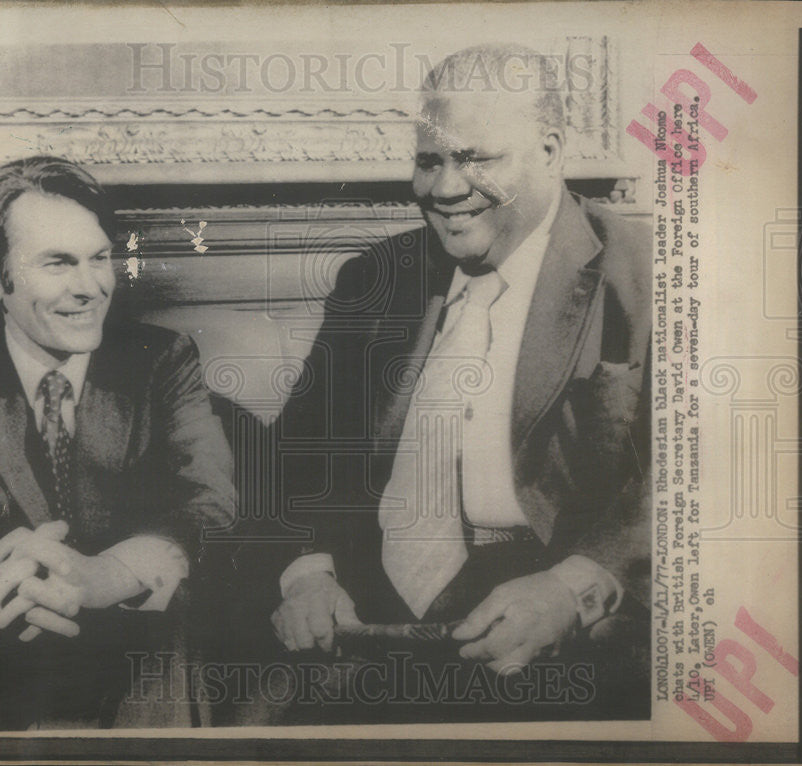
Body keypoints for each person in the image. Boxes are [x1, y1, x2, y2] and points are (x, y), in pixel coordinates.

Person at [257, 44, 651, 722]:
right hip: (366, 631)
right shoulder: (377, 278)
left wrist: (573, 589)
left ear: (551, 152)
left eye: (476, 158)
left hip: (557, 633)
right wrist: (308, 570)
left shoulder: (645, 274)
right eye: (430, 159)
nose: (443, 189)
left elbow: (700, 481)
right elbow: (297, 453)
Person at [0, 156, 236, 730]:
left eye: (100, 259)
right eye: (58, 264)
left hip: (132, 647)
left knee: (178, 622)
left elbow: (208, 500)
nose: (90, 287)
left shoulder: (161, 359)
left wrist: (109, 575)